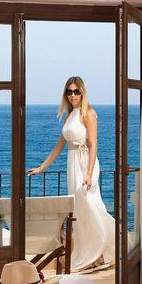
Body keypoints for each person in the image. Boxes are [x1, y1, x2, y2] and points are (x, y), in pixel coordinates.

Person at [27, 76, 114, 271]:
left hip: (85, 164)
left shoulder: (88, 113)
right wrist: (41, 168)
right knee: (80, 211)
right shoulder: (70, 115)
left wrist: (89, 174)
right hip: (72, 164)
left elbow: (93, 145)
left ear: (82, 93)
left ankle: (101, 251)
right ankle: (92, 254)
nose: (72, 95)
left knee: (91, 206)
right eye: (69, 92)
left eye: (76, 91)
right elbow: (59, 146)